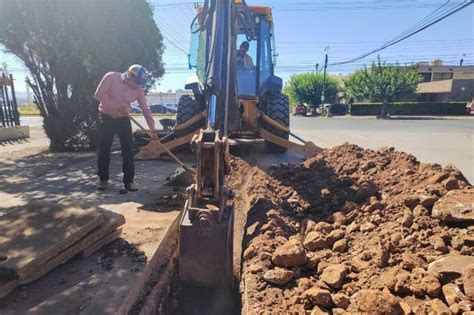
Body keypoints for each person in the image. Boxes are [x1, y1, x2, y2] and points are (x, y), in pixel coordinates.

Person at [94, 64, 156, 192]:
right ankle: (103, 179)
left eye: (140, 83)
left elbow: (145, 109)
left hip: (123, 118)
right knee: (104, 148)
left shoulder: (139, 89)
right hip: (106, 117)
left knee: (128, 149)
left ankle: (129, 181)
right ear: (129, 75)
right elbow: (99, 95)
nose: (137, 85)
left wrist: (152, 129)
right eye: (136, 82)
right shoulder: (111, 77)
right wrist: (115, 106)